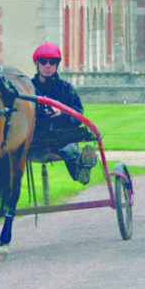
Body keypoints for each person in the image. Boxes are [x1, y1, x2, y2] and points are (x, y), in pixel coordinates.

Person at [31, 42, 96, 184]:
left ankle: (81, 172)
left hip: (62, 140)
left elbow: (79, 116)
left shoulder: (67, 89)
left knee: (71, 151)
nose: (47, 65)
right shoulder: (28, 88)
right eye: (43, 62)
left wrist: (61, 113)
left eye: (52, 62)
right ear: (37, 64)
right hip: (34, 140)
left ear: (56, 65)